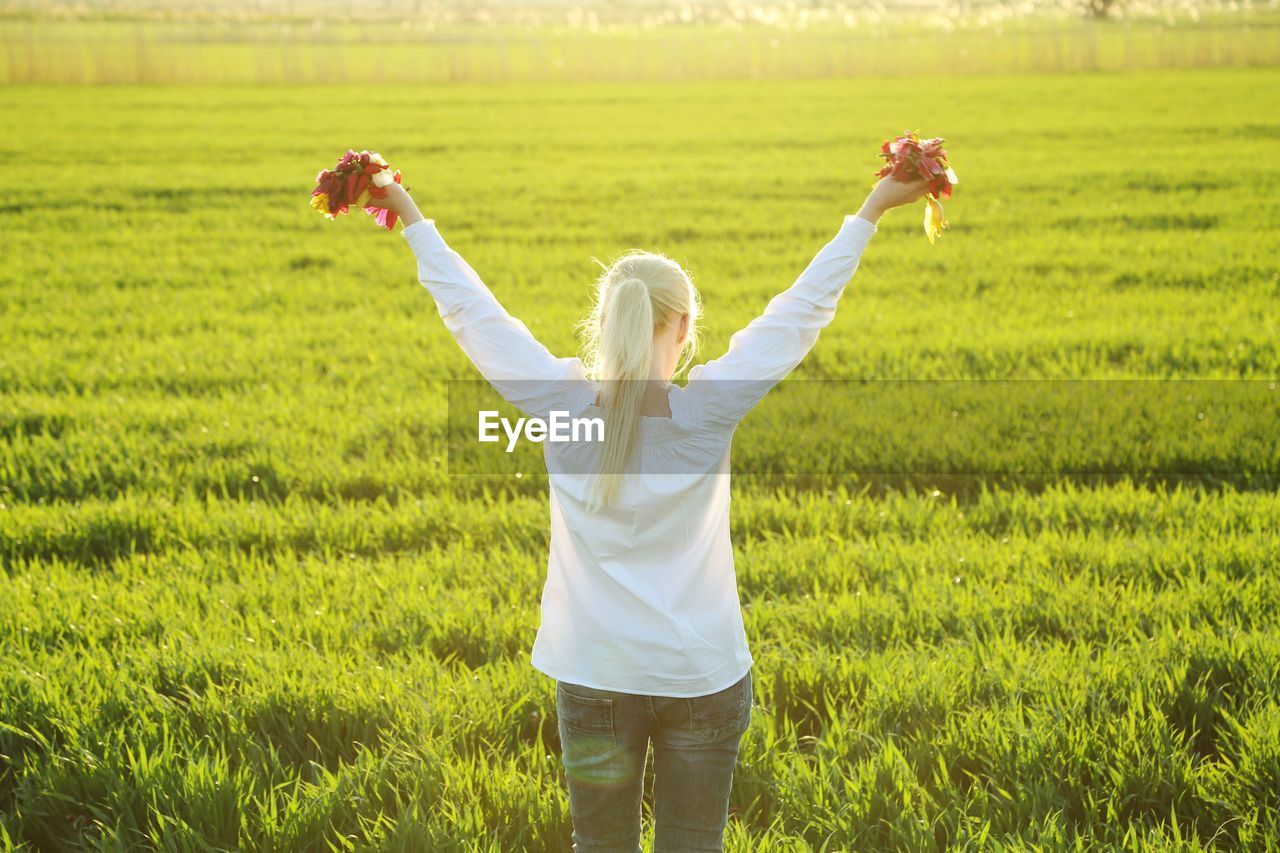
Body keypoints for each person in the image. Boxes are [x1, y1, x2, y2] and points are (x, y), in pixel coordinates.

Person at [367, 171, 930, 852]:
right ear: (684, 325)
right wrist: (872, 207)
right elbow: (800, 312)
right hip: (704, 675)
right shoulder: (708, 411)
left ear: (604, 324)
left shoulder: (561, 411)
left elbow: (474, 315)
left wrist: (410, 213)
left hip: (595, 671)